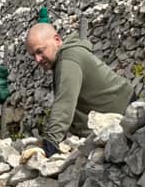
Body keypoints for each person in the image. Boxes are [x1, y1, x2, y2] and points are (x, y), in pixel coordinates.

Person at [25, 23, 133, 156]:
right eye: (33, 55)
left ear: (57, 40)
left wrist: (49, 147)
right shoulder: (65, 58)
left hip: (127, 123)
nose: (37, 59)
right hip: (117, 125)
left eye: (40, 51)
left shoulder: (68, 59)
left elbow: (64, 105)